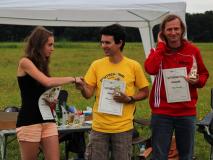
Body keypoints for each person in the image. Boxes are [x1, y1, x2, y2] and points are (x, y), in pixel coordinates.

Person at [75, 24, 149, 160]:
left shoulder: (133, 66)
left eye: (107, 42)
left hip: (123, 128)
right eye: (102, 42)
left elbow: (145, 92)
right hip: (99, 128)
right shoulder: (96, 65)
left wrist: (130, 98)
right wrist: (82, 88)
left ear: (120, 43)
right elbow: (88, 94)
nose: (103, 46)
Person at [144, 14, 209, 160]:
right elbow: (151, 69)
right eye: (169, 29)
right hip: (162, 112)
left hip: (186, 112)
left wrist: (196, 81)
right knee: (159, 155)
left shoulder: (193, 51)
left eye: (176, 29)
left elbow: (204, 75)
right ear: (163, 32)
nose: (173, 33)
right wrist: (160, 46)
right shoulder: (157, 51)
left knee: (186, 155)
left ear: (182, 30)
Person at [16, 26, 76, 160]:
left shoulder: (42, 64)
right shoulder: (25, 62)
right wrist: (73, 79)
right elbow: (47, 82)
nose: (52, 48)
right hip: (30, 121)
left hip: (48, 119)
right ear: (39, 44)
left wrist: (50, 100)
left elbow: (40, 91)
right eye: (50, 44)